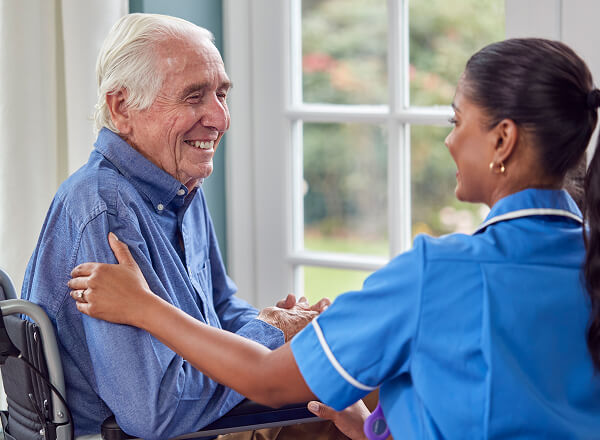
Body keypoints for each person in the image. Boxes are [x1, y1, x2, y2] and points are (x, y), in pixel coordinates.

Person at [69, 38, 600, 439]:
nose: (449, 138)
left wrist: (142, 306)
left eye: (458, 119)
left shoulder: (436, 275)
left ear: (502, 140)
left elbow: (269, 381)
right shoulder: (587, 260)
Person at [21, 13, 332, 439]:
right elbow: (157, 411)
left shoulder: (181, 182)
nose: (220, 119)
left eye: (222, 94)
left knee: (357, 393)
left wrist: (286, 327)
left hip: (201, 423)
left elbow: (219, 310)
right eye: (194, 97)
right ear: (122, 107)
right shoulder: (105, 208)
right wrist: (270, 334)